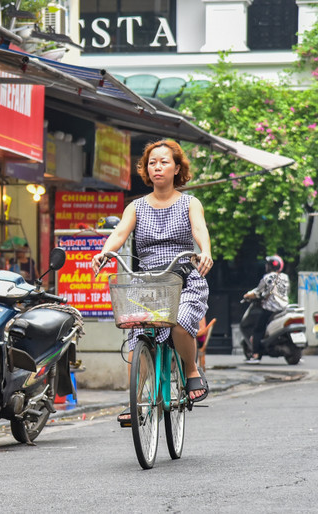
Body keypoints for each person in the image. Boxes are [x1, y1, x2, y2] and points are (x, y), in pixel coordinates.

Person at [91, 139, 214, 426]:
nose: (157, 167)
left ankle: (192, 371)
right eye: (152, 163)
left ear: (177, 168)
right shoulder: (136, 207)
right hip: (149, 284)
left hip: (184, 278)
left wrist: (205, 251)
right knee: (136, 337)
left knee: (181, 323)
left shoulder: (190, 203)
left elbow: (200, 230)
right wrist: (105, 252)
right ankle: (137, 401)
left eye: (164, 162)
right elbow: (120, 233)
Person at [243, 255, 289, 362]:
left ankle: (255, 354)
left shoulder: (267, 278)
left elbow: (258, 291)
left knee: (258, 329)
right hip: (283, 308)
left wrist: (247, 296)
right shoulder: (285, 277)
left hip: (271, 309)